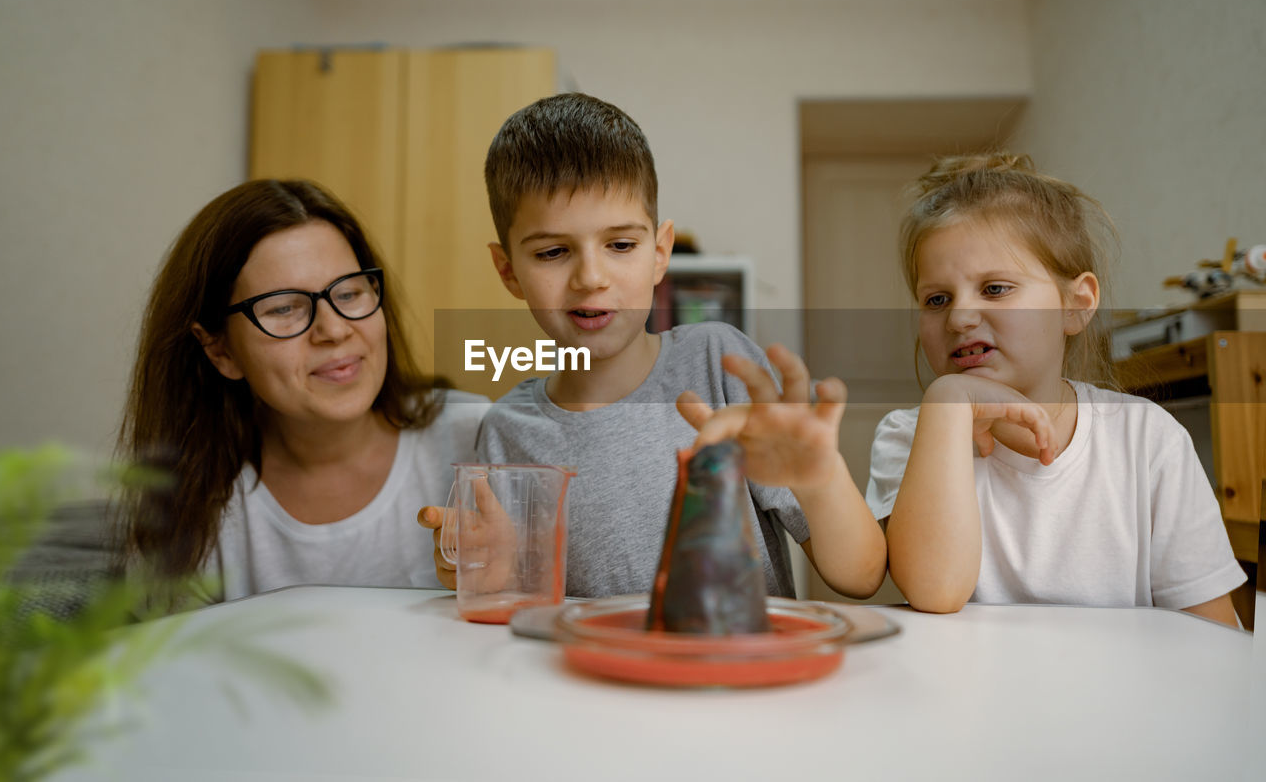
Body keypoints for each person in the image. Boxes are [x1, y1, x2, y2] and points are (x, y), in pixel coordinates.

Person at [417, 93, 886, 600]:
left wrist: (819, 480)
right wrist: (484, 575)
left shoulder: (719, 366)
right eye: (553, 252)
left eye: (620, 245)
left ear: (659, 253)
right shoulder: (508, 434)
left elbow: (859, 577)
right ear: (508, 271)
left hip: (735, 676)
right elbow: (510, 606)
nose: (591, 278)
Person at [866, 153, 1245, 626]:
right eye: (936, 299)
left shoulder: (1148, 440)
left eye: (996, 288)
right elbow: (935, 590)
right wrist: (947, 404)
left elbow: (1212, 632)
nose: (959, 318)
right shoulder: (908, 437)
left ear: (1076, 304)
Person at [117, 179, 488, 607]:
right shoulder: (185, 514)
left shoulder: (480, 441)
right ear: (219, 349)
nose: (333, 330)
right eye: (283, 308)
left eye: (348, 293)